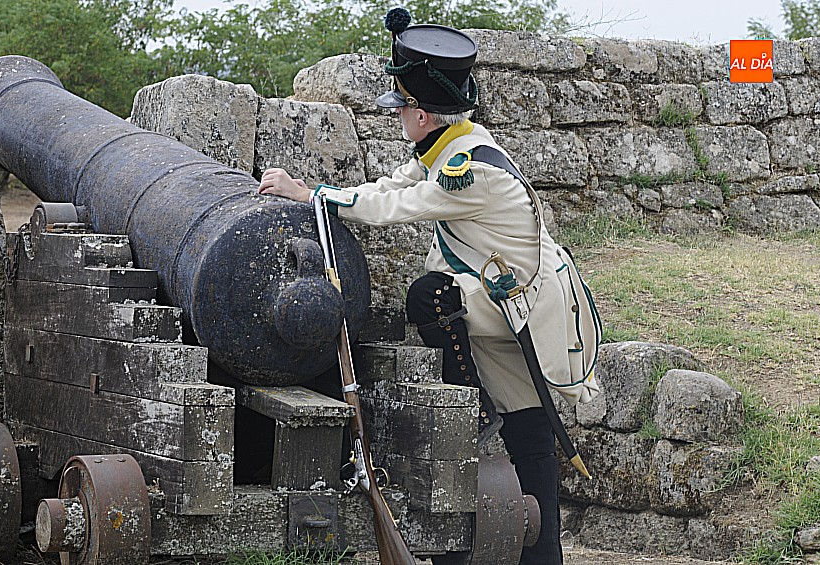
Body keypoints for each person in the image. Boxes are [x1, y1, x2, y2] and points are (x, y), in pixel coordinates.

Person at [258, 9, 601, 565]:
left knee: (433, 299)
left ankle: (471, 406)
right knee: (529, 425)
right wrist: (323, 191)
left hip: (525, 306)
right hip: (502, 298)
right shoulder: (452, 143)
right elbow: (392, 185)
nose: (397, 116)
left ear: (421, 114)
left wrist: (311, 195)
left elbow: (398, 207)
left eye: (401, 108)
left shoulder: (469, 169)